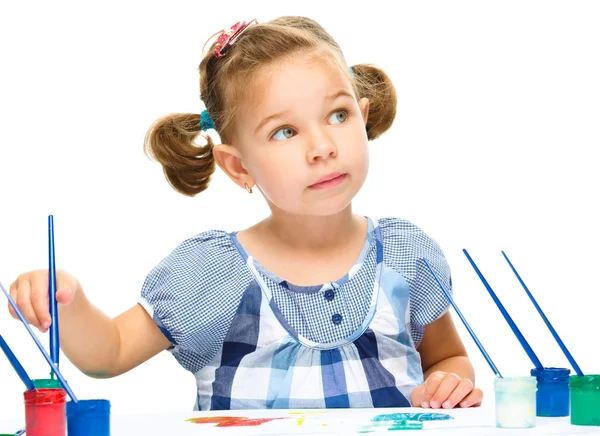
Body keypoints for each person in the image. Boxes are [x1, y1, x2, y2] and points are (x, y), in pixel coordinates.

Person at [7, 16, 483, 411]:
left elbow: (447, 358)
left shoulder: (405, 255)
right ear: (237, 166)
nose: (322, 147)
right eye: (284, 132)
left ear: (362, 116)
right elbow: (108, 352)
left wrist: (450, 382)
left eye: (338, 116)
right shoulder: (213, 274)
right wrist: (66, 303)